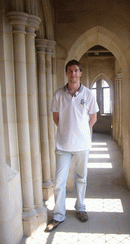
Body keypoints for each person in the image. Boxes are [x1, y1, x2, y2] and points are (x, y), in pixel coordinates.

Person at [45, 59, 99, 232]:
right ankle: (58, 215)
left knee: (81, 178)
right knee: (59, 181)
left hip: (83, 145)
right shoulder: (58, 94)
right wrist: (68, 132)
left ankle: (80, 207)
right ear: (66, 73)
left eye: (76, 70)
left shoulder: (89, 94)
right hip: (63, 145)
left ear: (80, 73)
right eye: (70, 71)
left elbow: (93, 118)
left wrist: (81, 132)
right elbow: (56, 118)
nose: (73, 74)